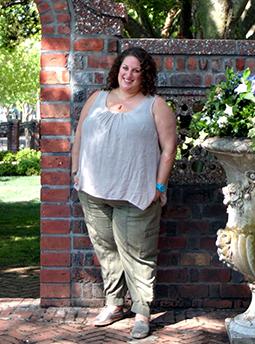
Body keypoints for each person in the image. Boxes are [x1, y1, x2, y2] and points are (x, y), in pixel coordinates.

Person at [71, 47, 177, 339]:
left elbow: (169, 149)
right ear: (117, 69)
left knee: (139, 256)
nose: (129, 75)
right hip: (93, 191)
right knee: (107, 252)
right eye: (125, 68)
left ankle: (142, 312)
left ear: (145, 76)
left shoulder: (155, 105)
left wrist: (159, 186)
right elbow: (80, 135)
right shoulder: (96, 99)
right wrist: (75, 172)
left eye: (136, 70)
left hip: (137, 194)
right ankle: (114, 304)